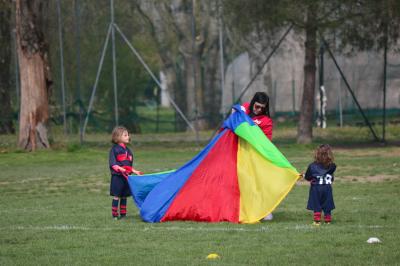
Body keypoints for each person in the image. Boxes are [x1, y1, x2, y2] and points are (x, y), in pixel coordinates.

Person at [241, 92, 274, 220]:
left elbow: (266, 143)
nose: (259, 110)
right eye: (257, 106)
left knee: (258, 183)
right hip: (240, 154)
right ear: (252, 102)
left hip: (255, 157)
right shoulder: (244, 108)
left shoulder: (266, 121)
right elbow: (236, 110)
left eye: (262, 108)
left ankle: (264, 210)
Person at [109, 126, 143, 220]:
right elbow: (113, 164)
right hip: (117, 177)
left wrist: (134, 171)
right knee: (117, 196)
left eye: (128, 135)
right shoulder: (114, 149)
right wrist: (120, 169)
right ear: (117, 137)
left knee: (124, 196)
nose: (128, 136)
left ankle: (123, 215)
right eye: (125, 135)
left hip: (126, 177)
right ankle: (115, 215)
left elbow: (128, 166)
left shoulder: (129, 151)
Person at [303, 144, 336, 225]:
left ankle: (317, 220)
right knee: (327, 203)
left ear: (317, 154)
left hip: (316, 188)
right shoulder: (332, 166)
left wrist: (305, 176)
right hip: (327, 188)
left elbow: (308, 177)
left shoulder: (312, 166)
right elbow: (331, 178)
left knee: (316, 203)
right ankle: (327, 220)